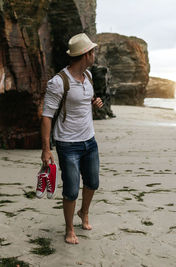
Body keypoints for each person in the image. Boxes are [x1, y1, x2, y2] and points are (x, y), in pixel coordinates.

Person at [40, 33, 103, 244]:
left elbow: (86, 99)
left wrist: (96, 102)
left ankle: (83, 213)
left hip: (89, 140)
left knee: (93, 182)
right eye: (93, 52)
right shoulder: (58, 82)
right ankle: (69, 230)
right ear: (86, 54)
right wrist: (46, 149)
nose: (95, 55)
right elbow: (47, 116)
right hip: (68, 144)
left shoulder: (89, 76)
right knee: (71, 188)